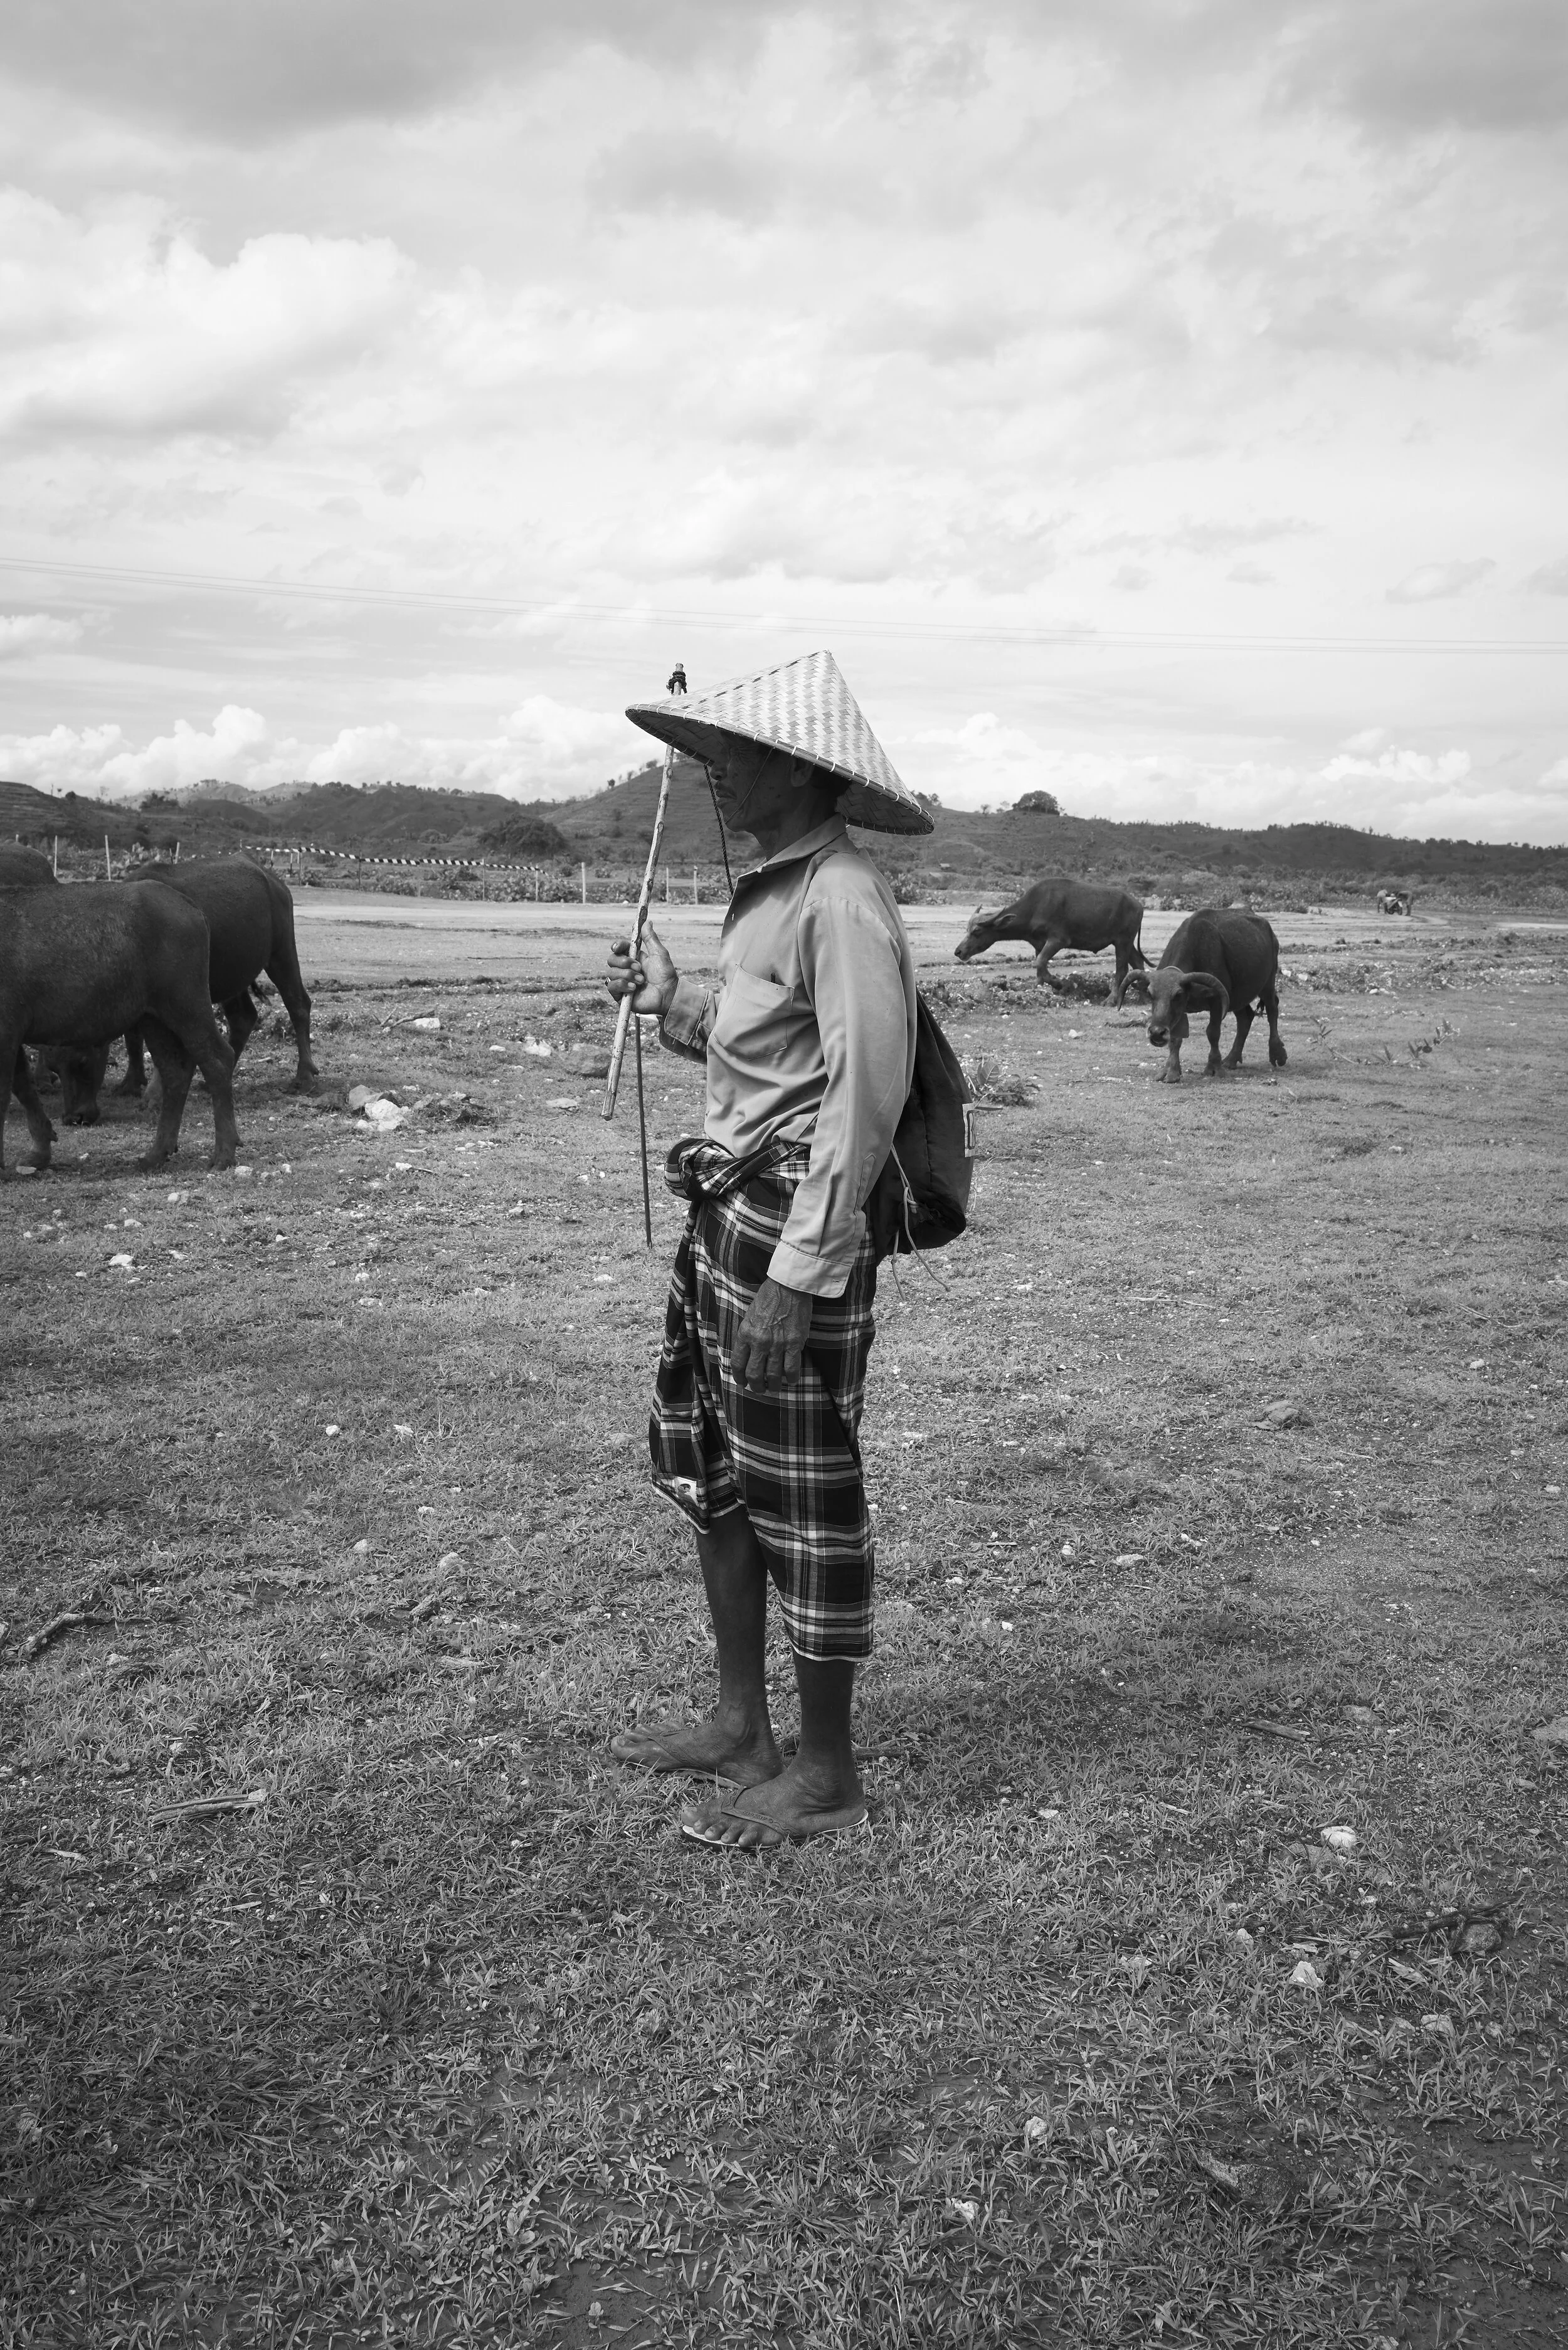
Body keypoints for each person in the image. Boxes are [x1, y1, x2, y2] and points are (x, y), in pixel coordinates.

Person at [605, 650, 933, 1851]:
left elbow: (861, 1096)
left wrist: (803, 1271)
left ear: (799, 771)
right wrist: (670, 1001)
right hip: (727, 1215)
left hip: (791, 1229)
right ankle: (746, 1724)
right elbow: (768, 1063)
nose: (714, 783)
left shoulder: (840, 896)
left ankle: (829, 1771)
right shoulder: (773, 892)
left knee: (803, 1491)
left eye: (732, 760)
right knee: (722, 1476)